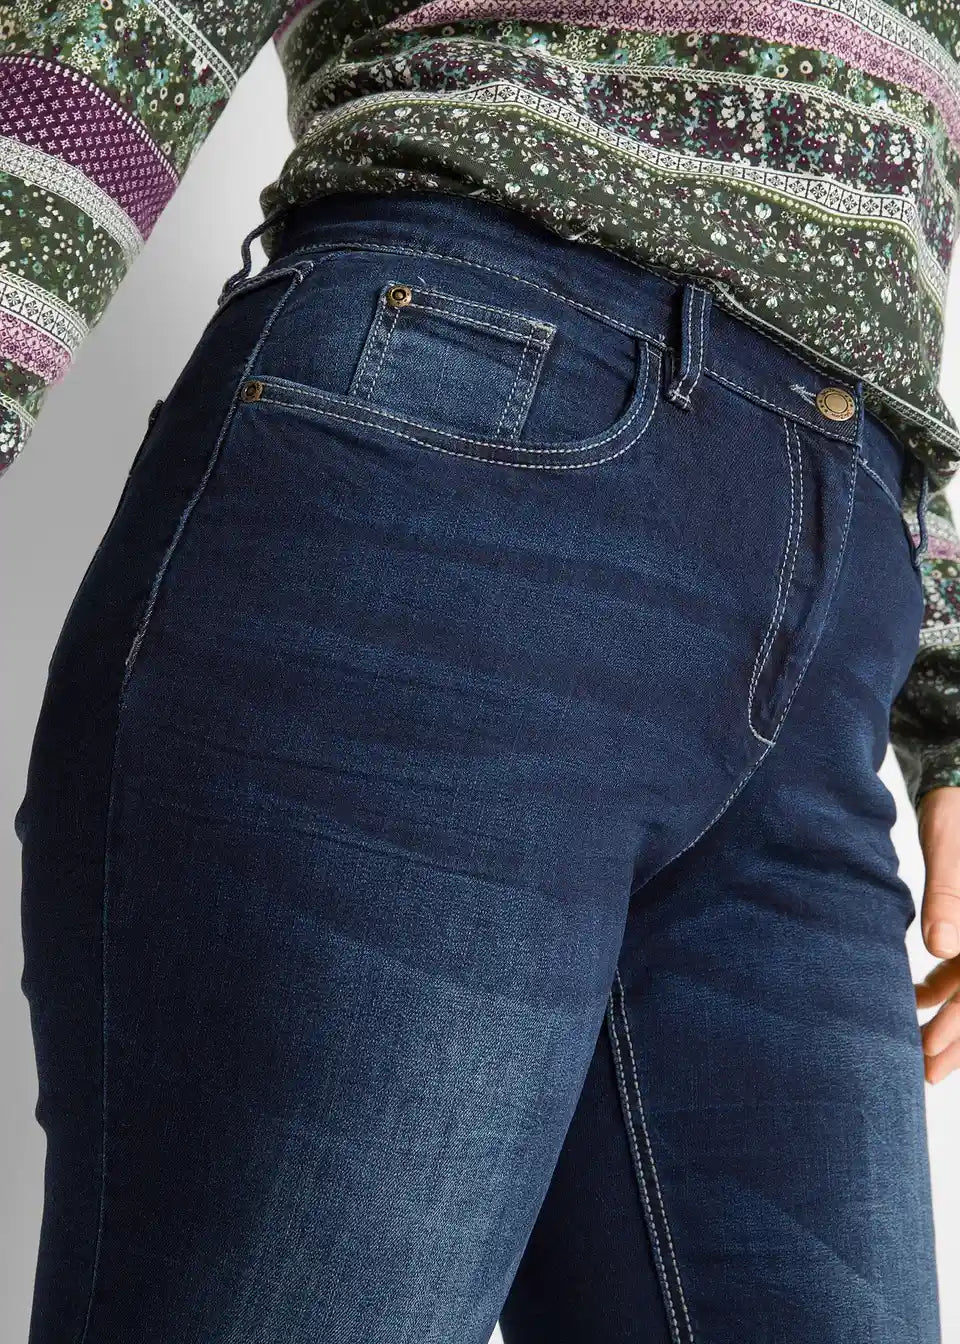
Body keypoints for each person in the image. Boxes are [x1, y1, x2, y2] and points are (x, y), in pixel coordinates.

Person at [5, 0, 960, 1338]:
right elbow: (120, 32)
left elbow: (886, 212)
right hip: (451, 479)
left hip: (830, 611)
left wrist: (944, 686)